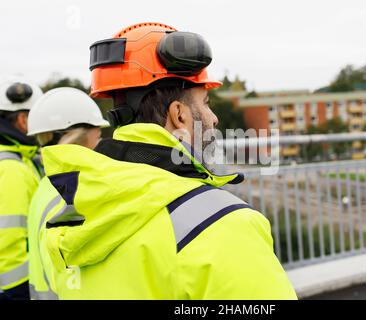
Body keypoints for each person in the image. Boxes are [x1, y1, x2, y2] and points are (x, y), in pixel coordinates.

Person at [40, 22, 297, 299]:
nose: (213, 118)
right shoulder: (223, 223)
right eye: (206, 103)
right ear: (179, 115)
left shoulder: (71, 213)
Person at [26, 87, 109, 300]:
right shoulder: (71, 192)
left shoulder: (47, 185)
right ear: (78, 137)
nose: (100, 144)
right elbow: (76, 276)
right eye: (97, 136)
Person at [0, 81, 43, 300]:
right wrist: (18, 290)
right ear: (23, 120)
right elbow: (8, 234)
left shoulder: (17, 161)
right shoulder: (11, 168)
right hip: (15, 287)